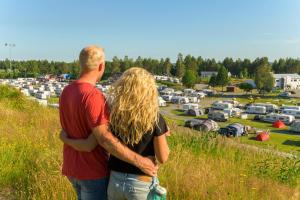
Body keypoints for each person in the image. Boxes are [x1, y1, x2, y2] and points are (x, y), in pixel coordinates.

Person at [59, 46, 158, 200]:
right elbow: (103, 139)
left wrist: (65, 139)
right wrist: (140, 161)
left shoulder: (66, 91)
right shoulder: (93, 96)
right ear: (101, 66)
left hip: (72, 169)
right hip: (92, 172)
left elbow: (71, 132)